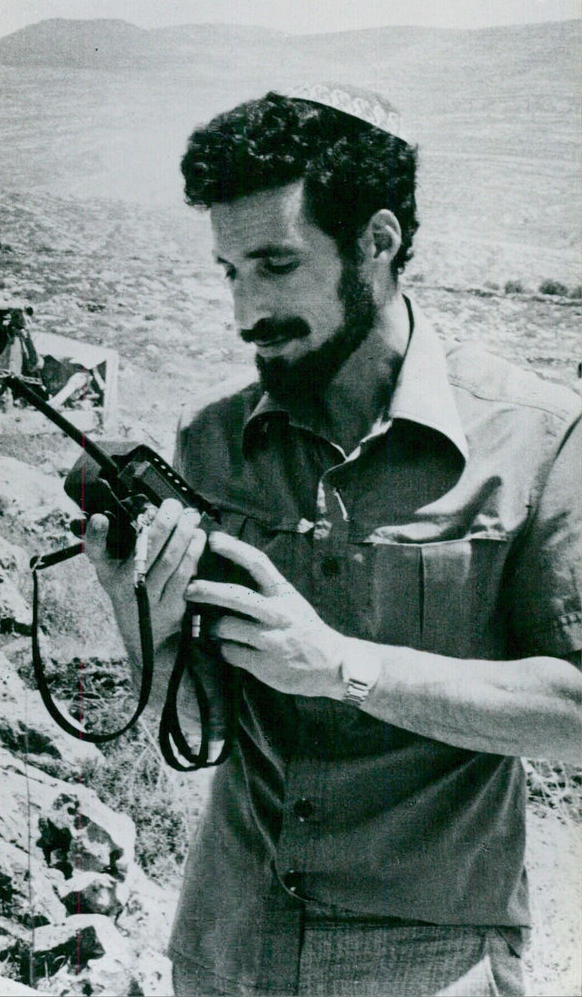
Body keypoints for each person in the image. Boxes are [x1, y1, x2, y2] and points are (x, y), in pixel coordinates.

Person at [84, 87, 582, 996]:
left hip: (428, 959)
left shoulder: (536, 438)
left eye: (276, 263)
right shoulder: (210, 446)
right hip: (229, 946)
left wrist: (342, 664)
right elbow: (201, 726)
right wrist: (142, 621)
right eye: (229, 271)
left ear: (379, 243)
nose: (245, 310)